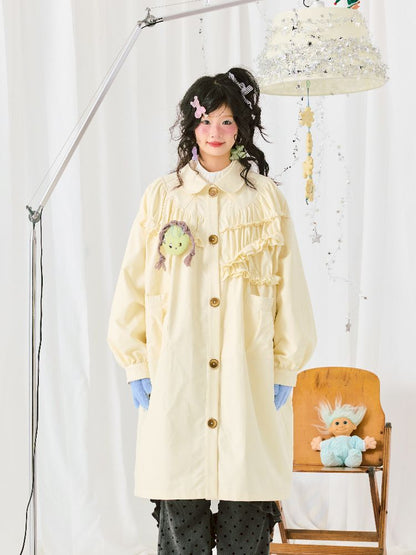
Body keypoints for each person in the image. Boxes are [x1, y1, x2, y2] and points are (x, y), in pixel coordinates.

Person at [107, 67, 317, 554]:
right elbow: (133, 284)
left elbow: (291, 289)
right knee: (182, 513)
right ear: (191, 126)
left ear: (241, 126)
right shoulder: (163, 197)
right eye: (206, 122)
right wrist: (136, 361)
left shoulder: (265, 198)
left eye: (226, 121)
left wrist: (285, 364)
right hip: (176, 373)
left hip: (249, 375)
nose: (215, 133)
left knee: (249, 507)